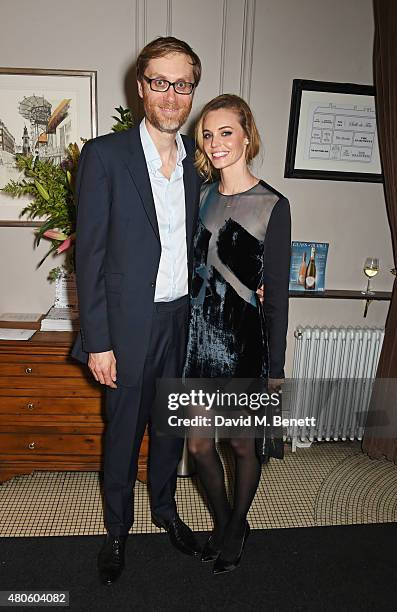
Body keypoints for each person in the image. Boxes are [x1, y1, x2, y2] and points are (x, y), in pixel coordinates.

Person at [71, 36, 203, 585]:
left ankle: (167, 513)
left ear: (191, 90)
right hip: (127, 327)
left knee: (170, 428)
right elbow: (90, 255)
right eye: (160, 83)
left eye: (183, 84)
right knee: (123, 435)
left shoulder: (199, 163)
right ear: (141, 87)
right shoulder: (105, 156)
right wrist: (98, 341)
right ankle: (118, 532)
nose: (171, 95)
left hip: (181, 322)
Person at [183, 94, 291, 574]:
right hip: (198, 341)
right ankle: (230, 523)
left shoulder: (273, 204)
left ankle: (235, 527)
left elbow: (280, 296)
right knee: (200, 445)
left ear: (247, 134)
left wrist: (275, 370)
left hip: (245, 343)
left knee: (244, 445)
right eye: (208, 134)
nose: (215, 142)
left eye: (225, 132)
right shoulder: (201, 193)